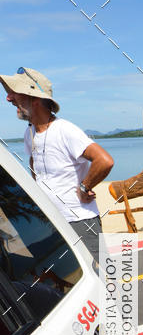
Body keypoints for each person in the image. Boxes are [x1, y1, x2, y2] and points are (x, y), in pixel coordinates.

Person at [0, 67, 114, 265]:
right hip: (53, 221)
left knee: (106, 274)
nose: (9, 99)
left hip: (80, 219)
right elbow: (34, 163)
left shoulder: (65, 130)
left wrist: (85, 187)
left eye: (15, 93)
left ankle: (121, 297)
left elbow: (104, 161)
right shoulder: (30, 133)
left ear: (34, 98)